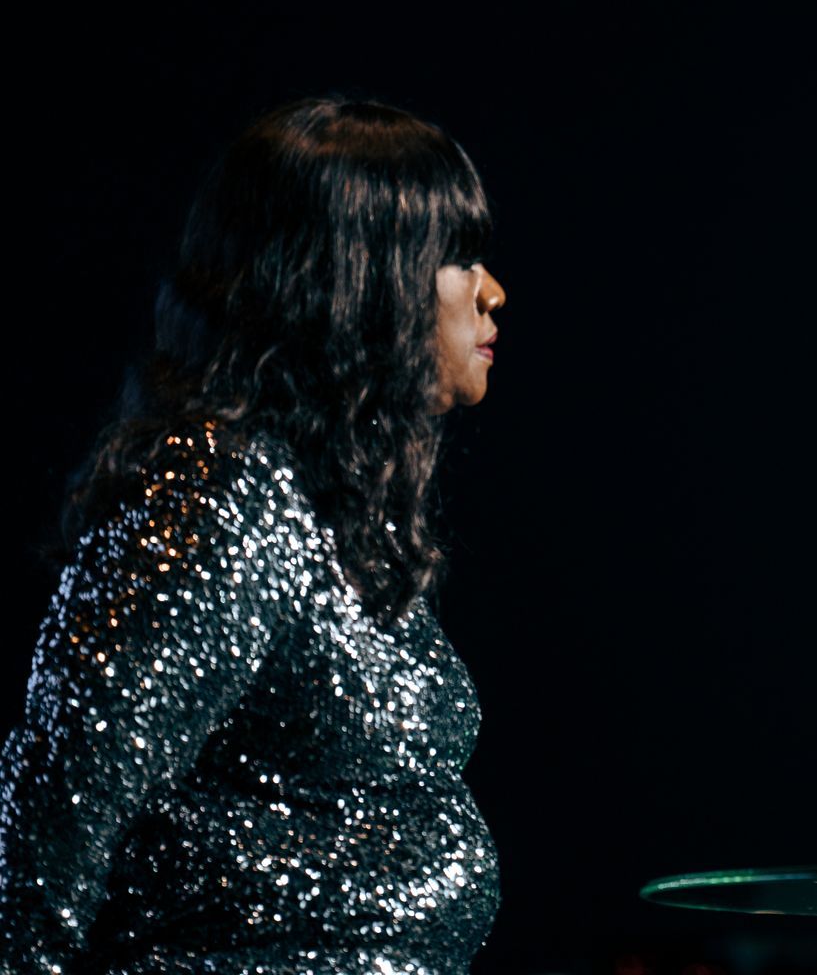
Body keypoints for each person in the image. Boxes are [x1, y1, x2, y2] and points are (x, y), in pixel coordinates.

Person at [0, 100, 508, 973]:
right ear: (362, 276)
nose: (492, 290)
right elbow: (54, 818)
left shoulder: (334, 507)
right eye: (456, 256)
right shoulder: (221, 493)